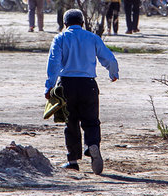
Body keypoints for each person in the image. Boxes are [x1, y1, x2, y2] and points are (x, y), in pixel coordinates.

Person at [45, 9, 119, 174]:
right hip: (88, 85)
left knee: (70, 123)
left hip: (67, 85)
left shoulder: (60, 38)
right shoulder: (93, 38)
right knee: (92, 121)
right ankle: (92, 145)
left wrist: (49, 86)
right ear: (82, 23)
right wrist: (113, 73)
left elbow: (54, 63)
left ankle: (72, 160)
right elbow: (109, 58)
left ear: (65, 24)